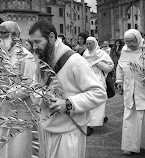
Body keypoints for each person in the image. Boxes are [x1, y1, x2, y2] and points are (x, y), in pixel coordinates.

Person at [29, 20, 107, 158]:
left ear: (51, 37)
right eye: (32, 43)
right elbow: (35, 86)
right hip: (47, 128)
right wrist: (41, 96)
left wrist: (68, 104)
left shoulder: (75, 61)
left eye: (38, 41)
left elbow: (99, 93)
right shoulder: (42, 59)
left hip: (69, 133)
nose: (34, 47)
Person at [0, 21, 36, 158]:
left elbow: (28, 86)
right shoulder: (3, 54)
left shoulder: (26, 57)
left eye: (3, 33)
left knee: (17, 150)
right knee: (1, 146)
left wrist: (6, 93)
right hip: (3, 110)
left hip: (19, 114)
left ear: (15, 35)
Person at [116, 29, 145, 155]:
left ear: (138, 38)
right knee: (130, 119)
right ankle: (129, 145)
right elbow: (120, 66)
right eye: (127, 41)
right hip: (130, 90)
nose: (129, 44)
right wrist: (119, 80)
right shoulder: (125, 50)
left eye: (132, 41)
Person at [83, 37, 114, 136]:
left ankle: (92, 124)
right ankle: (90, 123)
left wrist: (99, 63)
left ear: (95, 44)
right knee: (89, 102)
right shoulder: (85, 54)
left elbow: (110, 66)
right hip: (87, 80)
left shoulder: (101, 54)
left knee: (98, 102)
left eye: (90, 44)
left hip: (98, 81)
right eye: (87, 44)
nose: (88, 46)